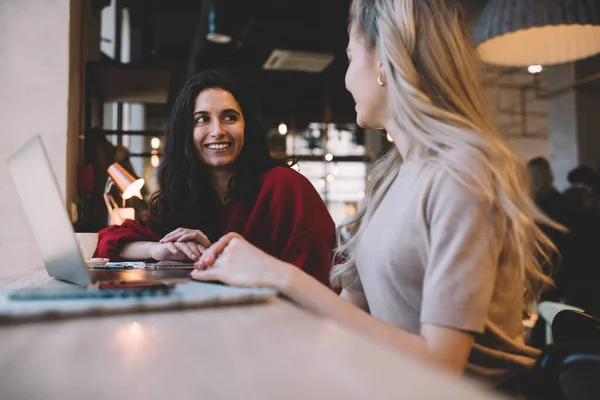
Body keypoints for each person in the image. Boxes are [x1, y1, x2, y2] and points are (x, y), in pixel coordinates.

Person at [190, 0, 560, 390]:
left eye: (350, 57)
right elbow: (353, 312)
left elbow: (441, 366)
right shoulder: (393, 174)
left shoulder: (462, 172)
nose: (347, 79)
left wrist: (277, 275)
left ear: (384, 59)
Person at [93, 69, 335, 286]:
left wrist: (214, 255)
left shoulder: (284, 186)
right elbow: (109, 241)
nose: (217, 131)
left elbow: (314, 280)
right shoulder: (185, 196)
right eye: (202, 119)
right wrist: (156, 249)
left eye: (229, 117)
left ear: (246, 127)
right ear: (186, 132)